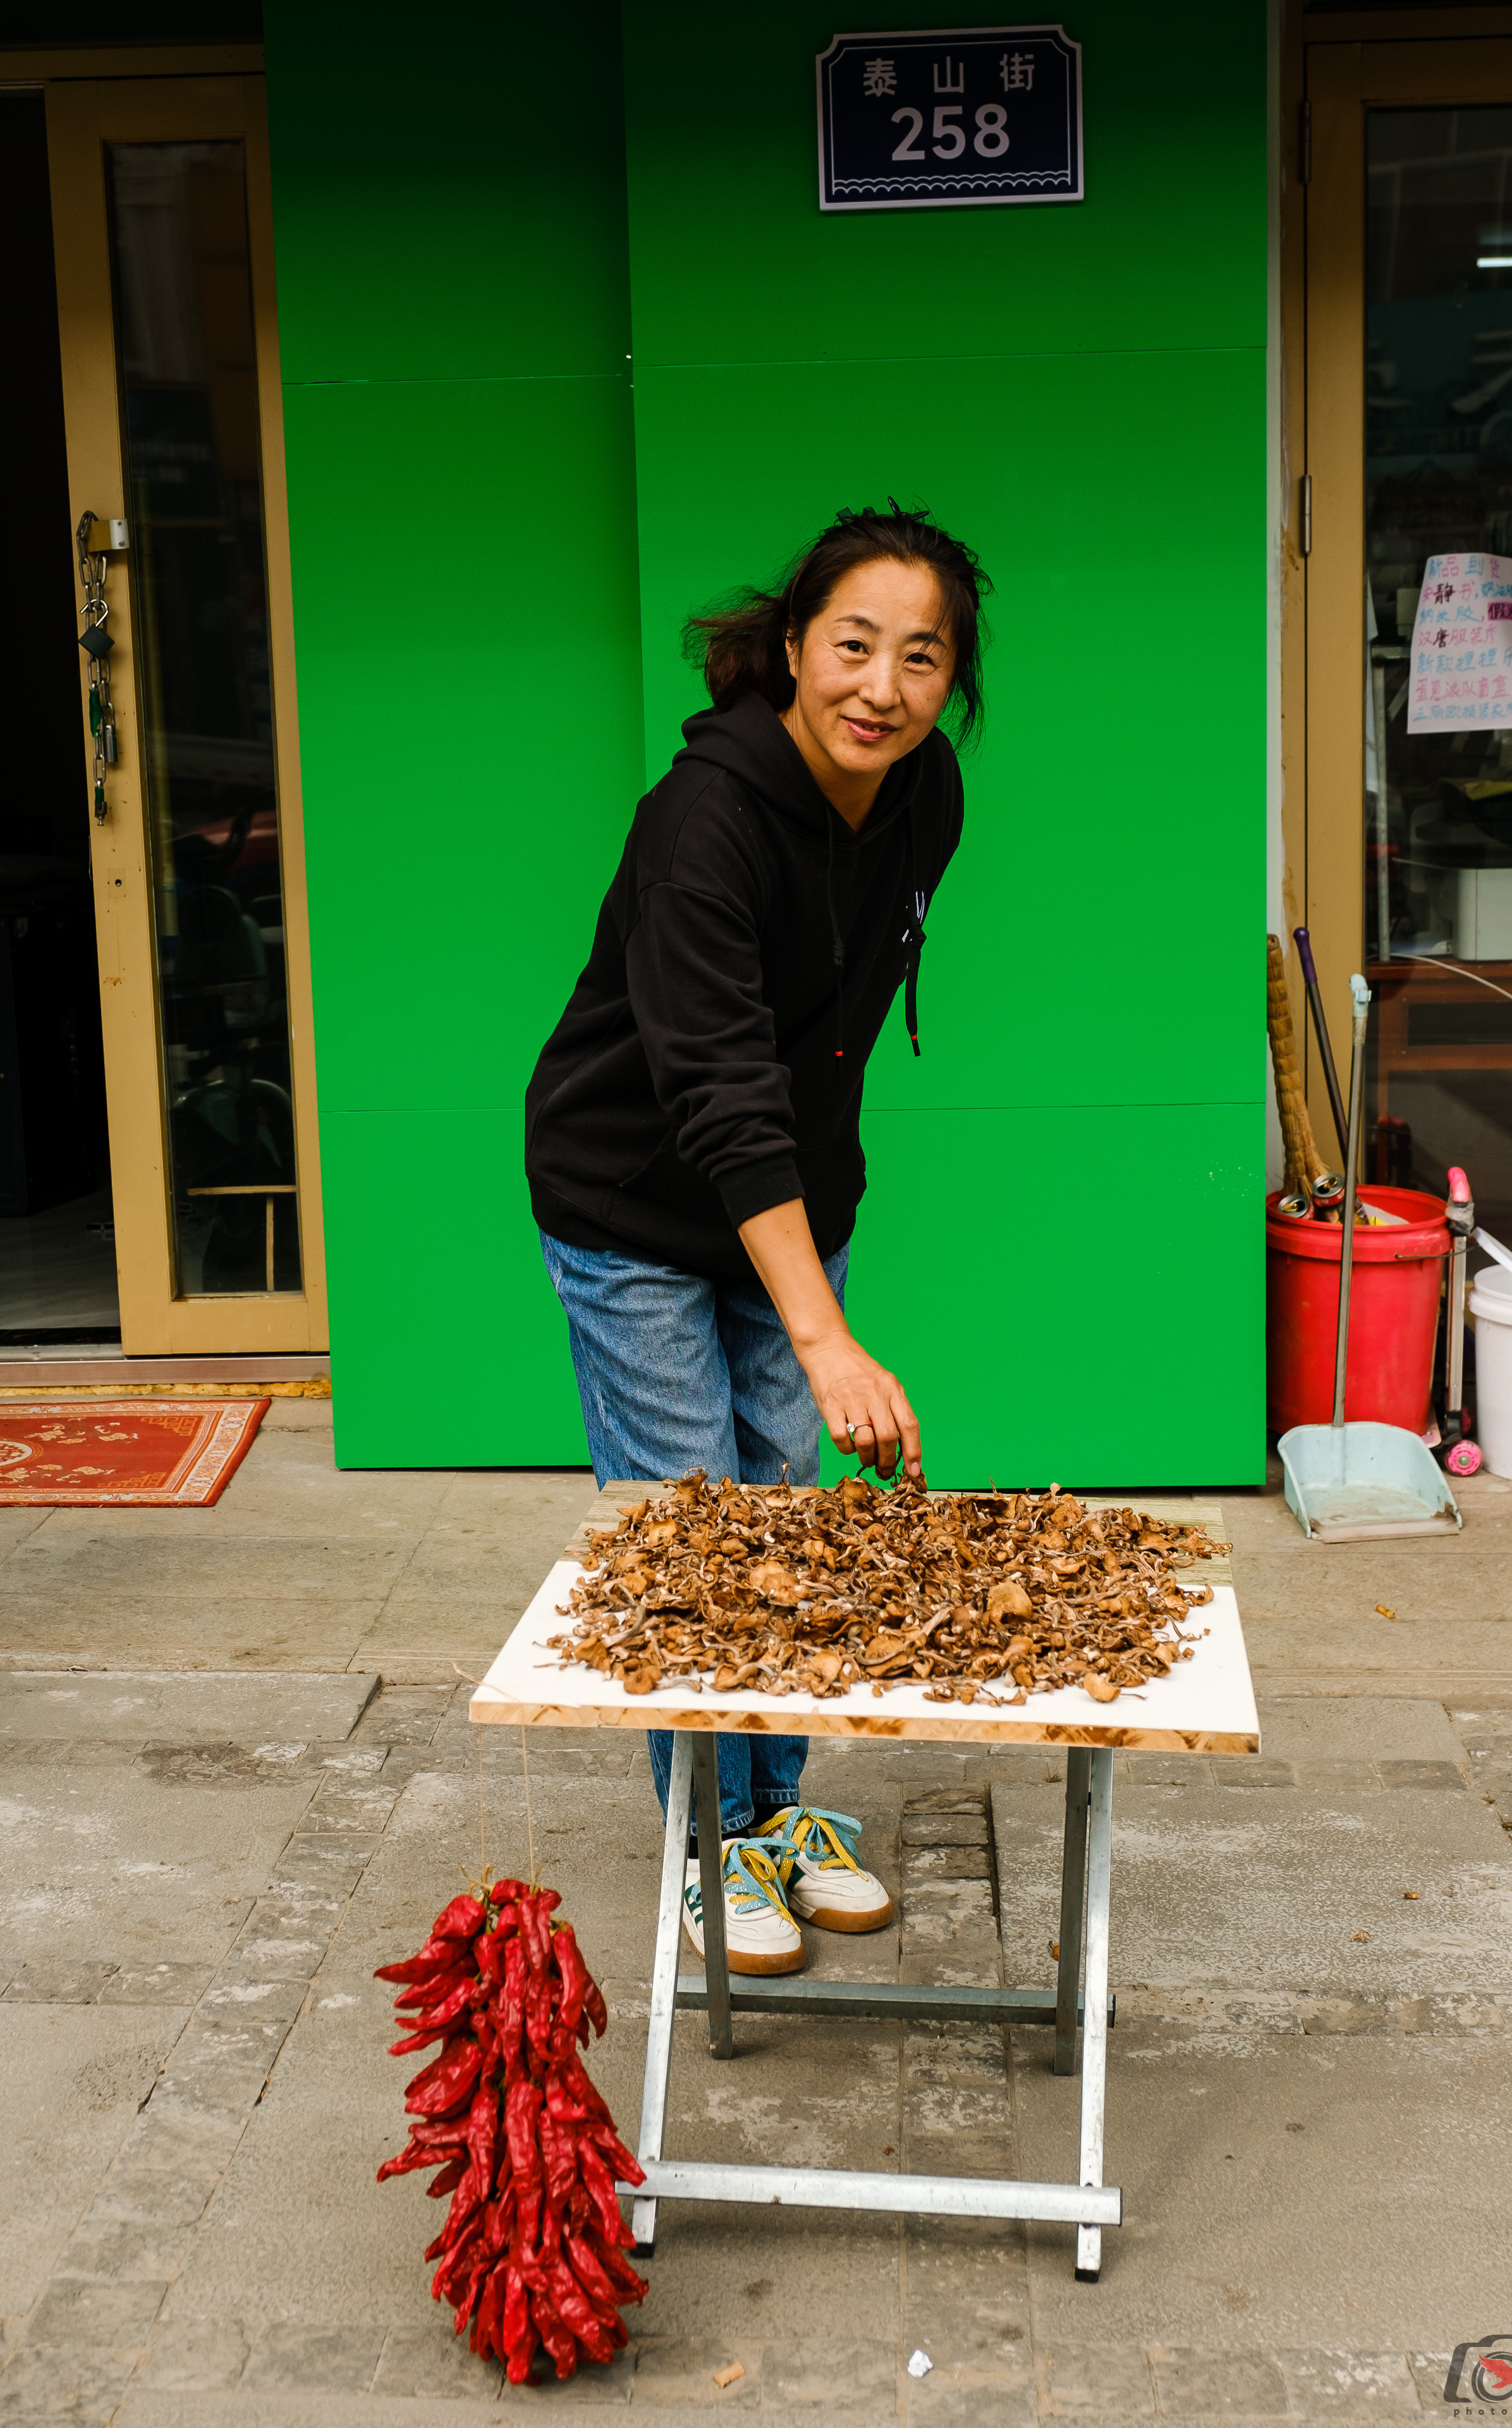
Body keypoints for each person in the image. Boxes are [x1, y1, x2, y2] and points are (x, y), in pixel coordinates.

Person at [525, 501, 990, 1973]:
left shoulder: (925, 800)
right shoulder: (703, 820)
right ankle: (703, 1848)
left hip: (792, 1202)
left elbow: (821, 1045)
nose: (882, 686)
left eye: (920, 657)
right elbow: (721, 1086)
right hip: (633, 1206)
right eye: (852, 645)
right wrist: (826, 1334)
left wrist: (810, 1282)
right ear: (791, 648)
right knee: (690, 1528)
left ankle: (773, 1812)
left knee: (783, 1516)